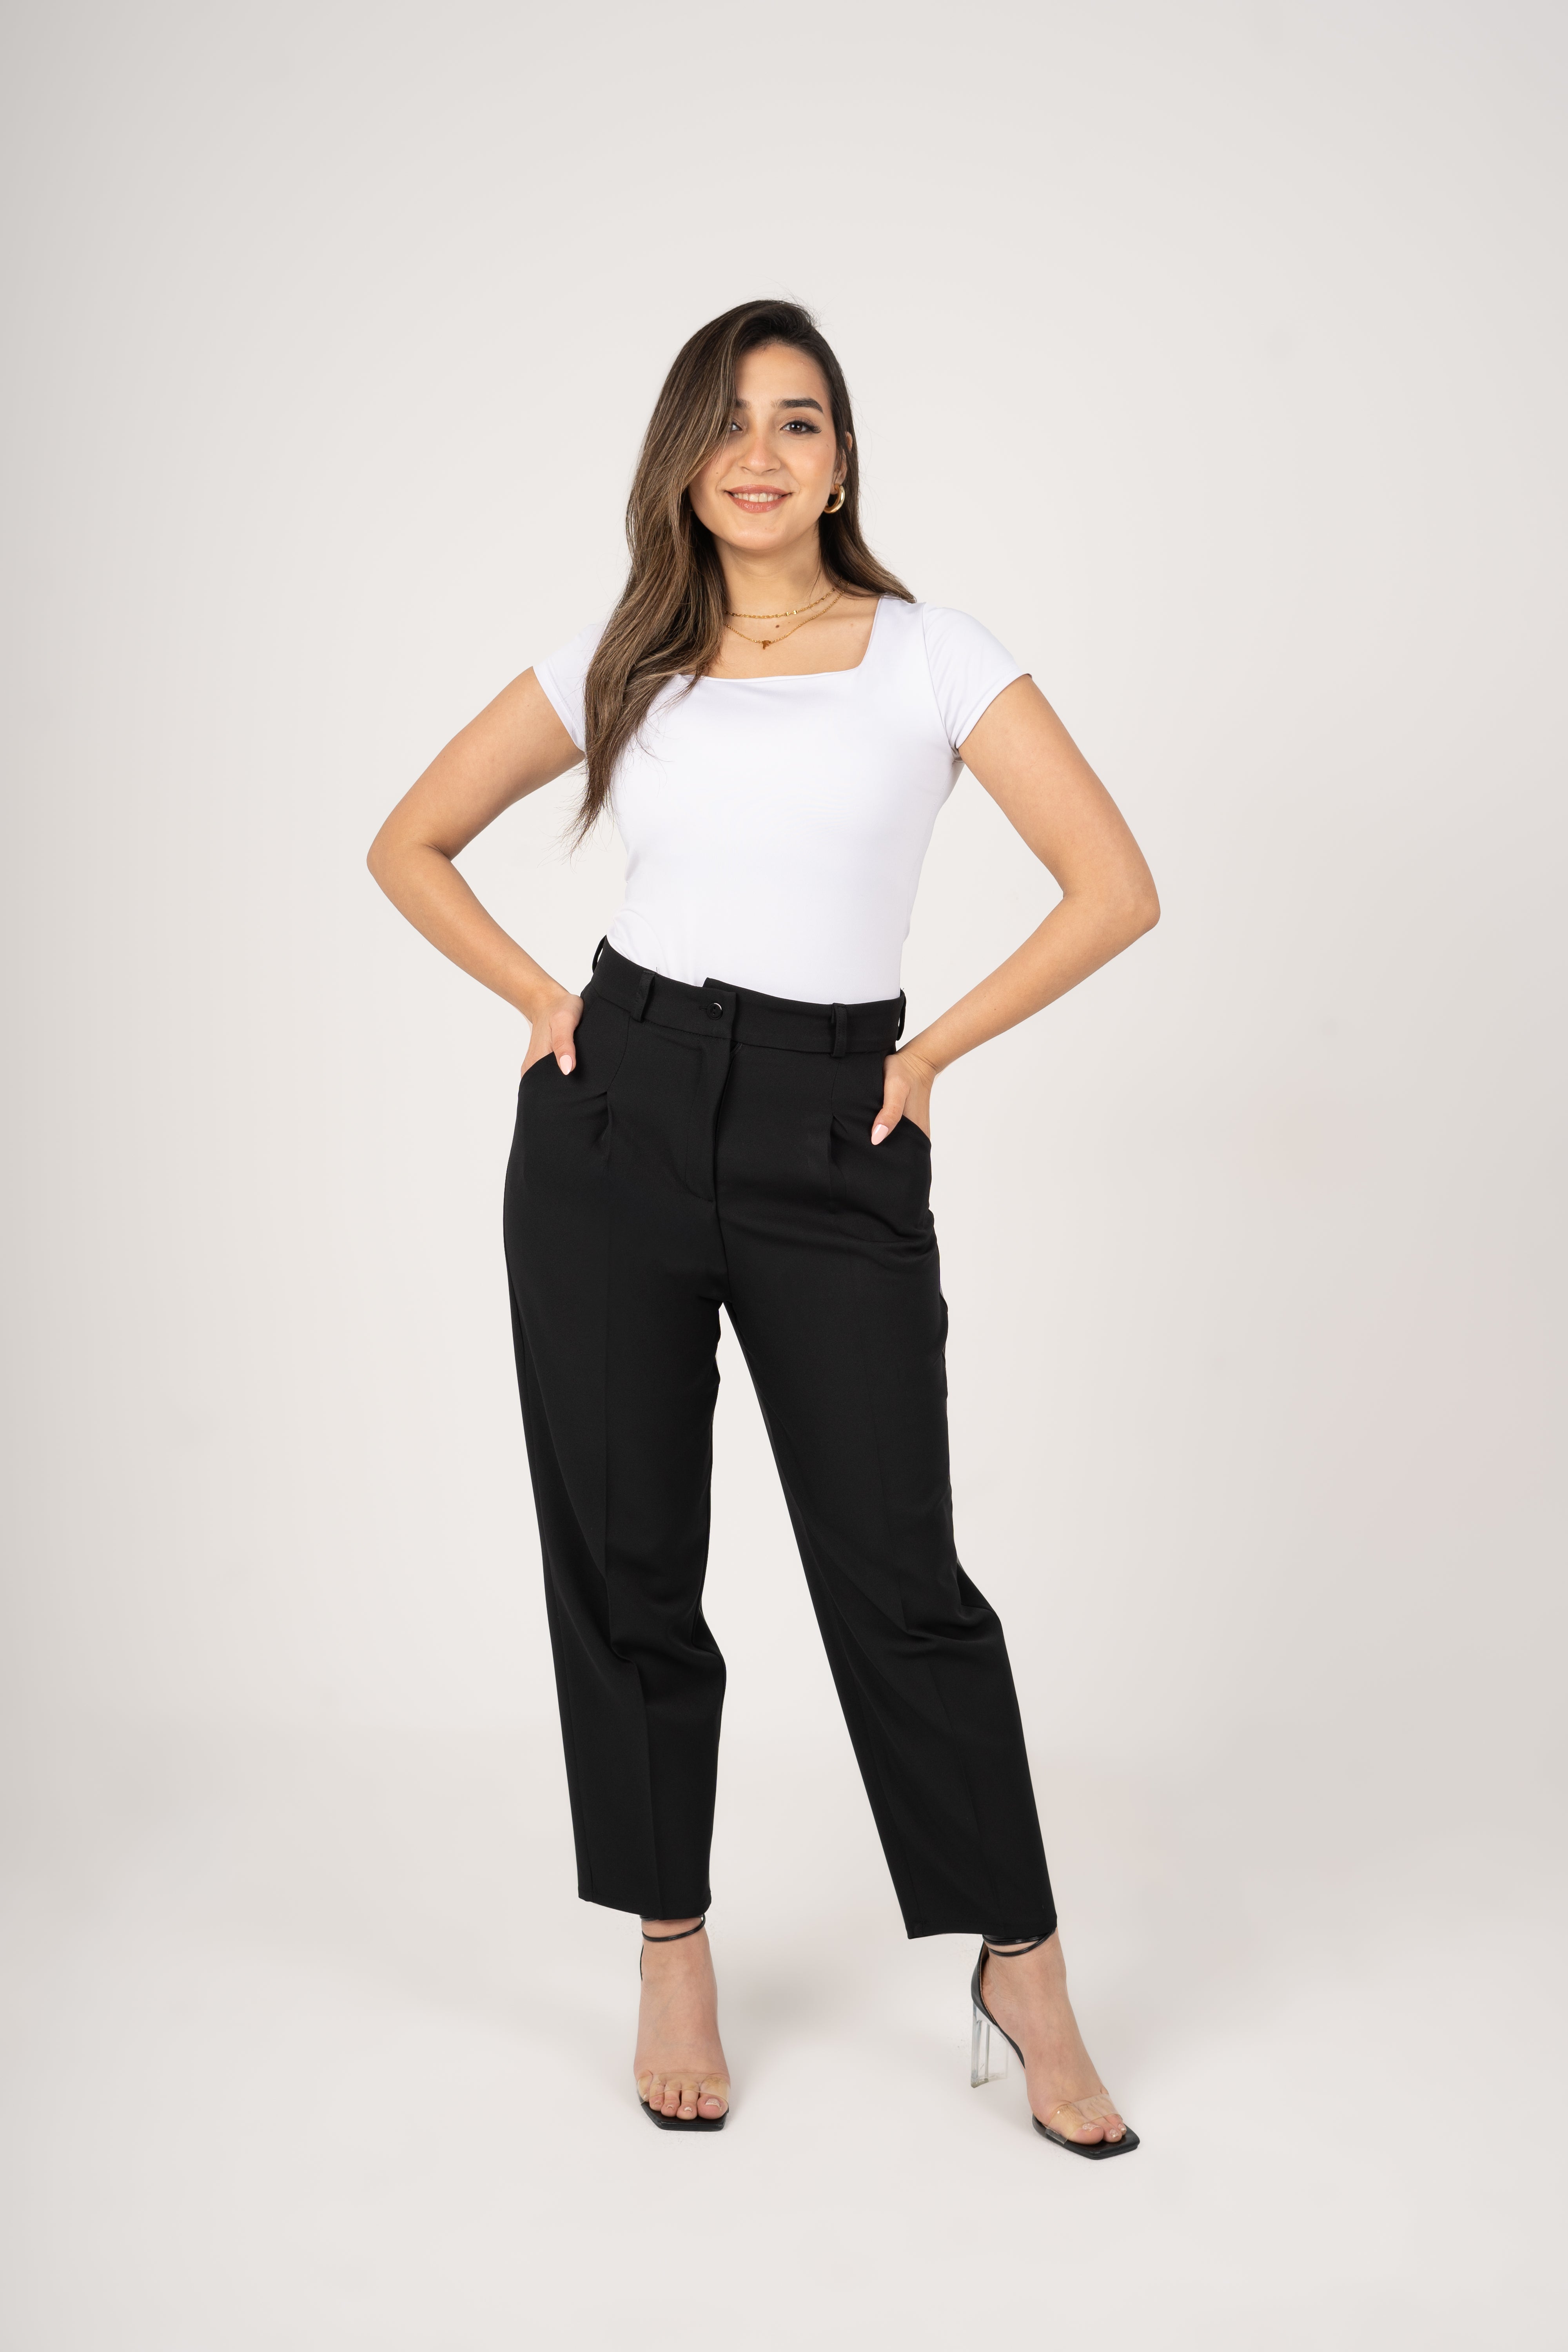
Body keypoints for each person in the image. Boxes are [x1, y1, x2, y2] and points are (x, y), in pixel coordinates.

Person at [368, 299, 1159, 2154]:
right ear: (681, 456)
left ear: (841, 458)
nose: (760, 453)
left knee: (899, 1574)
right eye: (727, 422)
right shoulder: (625, 658)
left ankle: (1023, 1966)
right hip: (617, 1115)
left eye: (797, 421)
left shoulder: (932, 655)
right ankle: (671, 1943)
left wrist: (930, 1051)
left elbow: (1113, 886)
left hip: (834, 1121)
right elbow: (408, 840)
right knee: (628, 1555)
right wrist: (543, 1002)